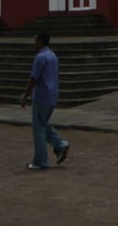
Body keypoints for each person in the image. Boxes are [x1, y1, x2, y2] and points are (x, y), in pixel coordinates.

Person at [20, 34, 70, 170]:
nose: (33, 43)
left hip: (41, 96)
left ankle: (41, 160)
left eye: (35, 40)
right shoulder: (52, 56)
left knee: (38, 129)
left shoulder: (40, 58)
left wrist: (26, 95)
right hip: (52, 95)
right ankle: (60, 144)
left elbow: (34, 78)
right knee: (42, 124)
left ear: (40, 41)